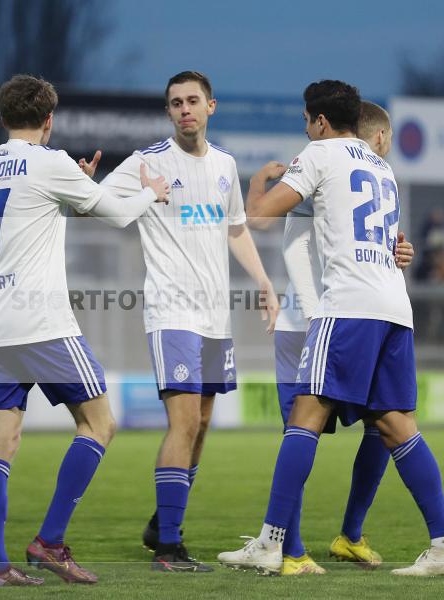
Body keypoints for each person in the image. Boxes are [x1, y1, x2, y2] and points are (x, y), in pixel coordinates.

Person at [218, 80, 444, 577]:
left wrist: (258, 185)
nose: (307, 131)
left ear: (320, 122)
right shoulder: (383, 169)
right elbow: (386, 240)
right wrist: (403, 251)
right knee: (397, 427)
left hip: (346, 307)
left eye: (308, 123)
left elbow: (261, 215)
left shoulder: (320, 153)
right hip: (395, 309)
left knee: (304, 418)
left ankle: (272, 542)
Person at [0, 74, 170, 587]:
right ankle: (49, 541)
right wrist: (151, 192)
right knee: (99, 425)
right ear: (49, 120)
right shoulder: (51, 162)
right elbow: (121, 215)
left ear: (2, 119)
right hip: (42, 323)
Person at [81, 70, 279, 572]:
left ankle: (160, 523)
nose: (184, 109)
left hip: (215, 315)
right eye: (175, 103)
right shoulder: (148, 161)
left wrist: (262, 281)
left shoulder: (225, 166)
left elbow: (235, 229)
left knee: (203, 424)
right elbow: (103, 205)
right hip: (172, 311)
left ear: (211, 106)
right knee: (185, 420)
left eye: (193, 101)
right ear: (169, 112)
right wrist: (86, 186)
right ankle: (169, 545)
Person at [248, 101, 415, 576]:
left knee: (370, 427)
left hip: (337, 317)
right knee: (311, 430)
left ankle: (337, 538)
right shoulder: (333, 164)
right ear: (375, 137)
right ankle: (295, 549)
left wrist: (399, 250)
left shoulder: (339, 169)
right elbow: (277, 230)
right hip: (315, 319)